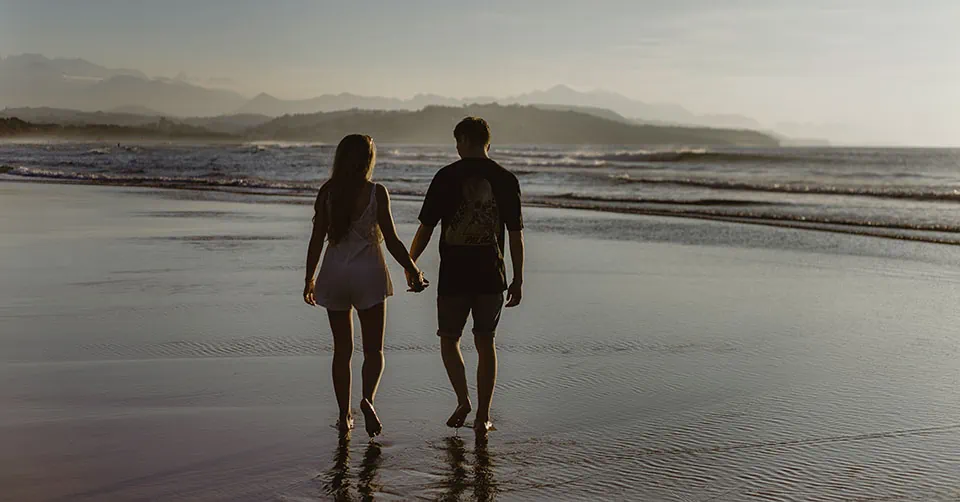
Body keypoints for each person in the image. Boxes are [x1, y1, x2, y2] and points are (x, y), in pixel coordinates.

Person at [304, 134, 428, 437]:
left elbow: (316, 239)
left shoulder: (328, 193)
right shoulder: (376, 193)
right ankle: (367, 400)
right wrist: (413, 270)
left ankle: (344, 415)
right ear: (368, 160)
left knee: (342, 351)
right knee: (374, 351)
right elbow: (393, 240)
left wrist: (309, 278)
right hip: (368, 274)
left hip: (334, 274)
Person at [408, 117, 525, 434]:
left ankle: (464, 400)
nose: (456, 147)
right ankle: (483, 416)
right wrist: (518, 278)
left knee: (449, 340)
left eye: (457, 141)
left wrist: (409, 263)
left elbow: (426, 229)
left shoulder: (446, 176)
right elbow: (515, 234)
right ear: (488, 142)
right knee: (486, 342)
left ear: (463, 140)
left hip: (454, 275)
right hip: (491, 274)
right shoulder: (505, 178)